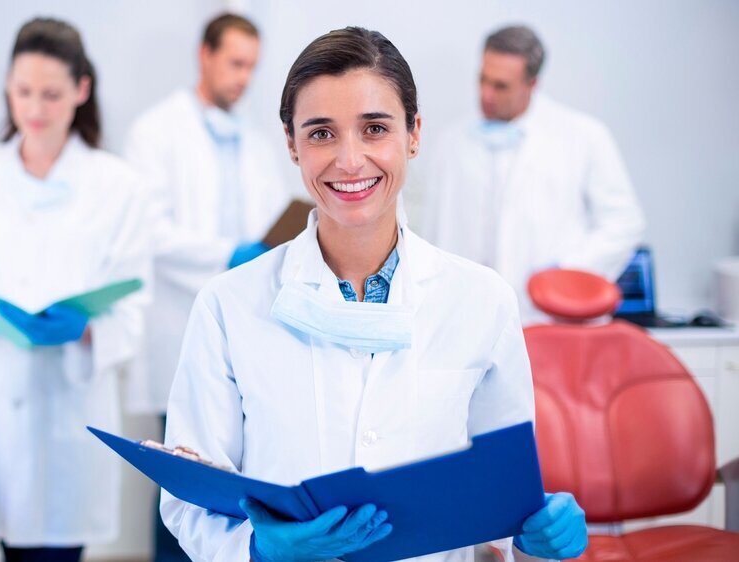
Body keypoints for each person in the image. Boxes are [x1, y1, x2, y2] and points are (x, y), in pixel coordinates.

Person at [161, 27, 588, 562]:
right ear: (291, 145)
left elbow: (504, 495)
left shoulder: (482, 301)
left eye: (375, 128)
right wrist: (255, 548)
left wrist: (534, 527)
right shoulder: (227, 305)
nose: (350, 159)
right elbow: (188, 497)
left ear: (413, 133)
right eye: (321, 133)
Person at [0, 18, 149, 562]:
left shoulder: (118, 186)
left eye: (51, 94)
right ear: (7, 87)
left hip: (69, 406)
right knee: (5, 541)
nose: (36, 108)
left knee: (58, 547)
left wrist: (88, 327)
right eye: (23, 92)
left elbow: (135, 305)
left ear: (81, 90)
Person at [121, 13, 289, 560]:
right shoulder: (155, 132)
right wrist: (227, 254)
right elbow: (149, 231)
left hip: (247, 329)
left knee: (234, 470)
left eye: (252, 68)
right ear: (205, 55)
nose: (244, 78)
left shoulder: (258, 141)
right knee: (182, 474)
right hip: (179, 326)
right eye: (236, 63)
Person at [423, 25, 645, 321]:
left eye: (501, 86)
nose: (486, 95)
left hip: (549, 317)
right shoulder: (452, 142)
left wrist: (567, 270)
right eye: (482, 80)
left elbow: (624, 223)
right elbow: (434, 233)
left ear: (532, 83)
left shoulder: (584, 137)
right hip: (468, 316)